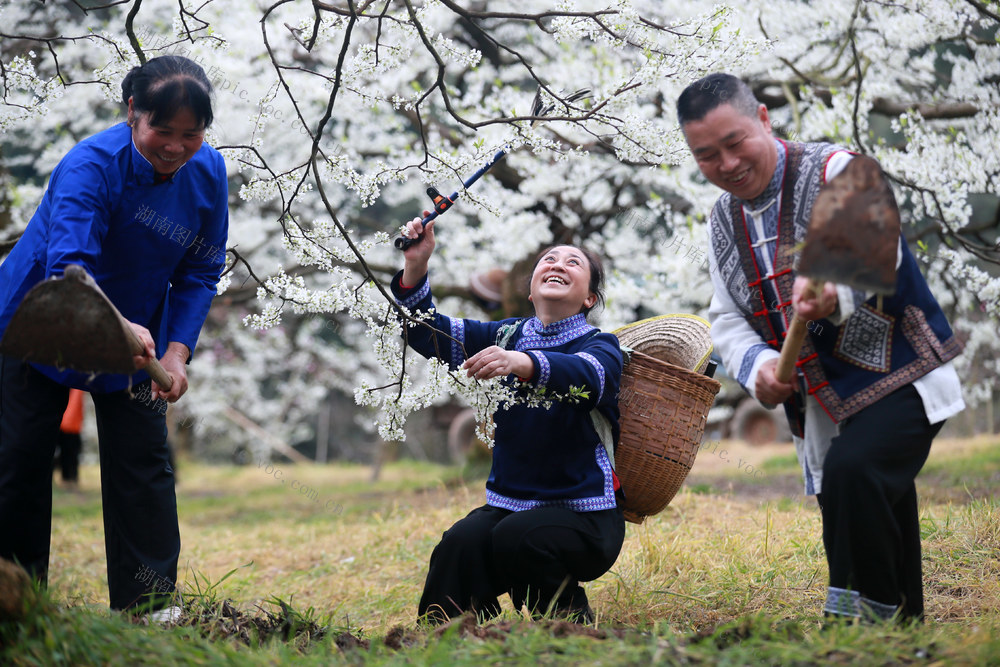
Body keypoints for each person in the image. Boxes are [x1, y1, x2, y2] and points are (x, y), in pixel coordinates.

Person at [676, 73, 965, 623]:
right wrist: (758, 366)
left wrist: (835, 289)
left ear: (763, 118)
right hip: (824, 403)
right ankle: (901, 629)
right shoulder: (721, 220)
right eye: (707, 155)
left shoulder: (839, 170)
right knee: (865, 502)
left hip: (901, 374)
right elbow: (727, 318)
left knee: (855, 475)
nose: (727, 164)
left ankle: (863, 627)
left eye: (735, 142)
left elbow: (881, 255)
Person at [0, 55, 229, 614]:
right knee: (20, 459)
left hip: (140, 340)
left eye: (191, 134)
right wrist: (119, 326)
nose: (175, 147)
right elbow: (71, 269)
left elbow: (201, 269)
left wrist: (176, 352)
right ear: (133, 112)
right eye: (162, 131)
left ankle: (150, 608)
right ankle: (16, 604)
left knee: (143, 461)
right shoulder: (89, 166)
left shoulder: (208, 172)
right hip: (40, 320)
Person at [395, 214, 625, 625]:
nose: (556, 264)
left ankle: (568, 624)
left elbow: (593, 379)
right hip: (511, 506)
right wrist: (416, 266)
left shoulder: (601, 344)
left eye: (573, 263)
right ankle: (451, 638)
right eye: (549, 259)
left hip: (584, 516)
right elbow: (429, 334)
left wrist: (523, 362)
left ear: (590, 298)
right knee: (458, 545)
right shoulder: (504, 335)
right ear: (531, 287)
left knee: (517, 537)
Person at [54, 389, 85, 490]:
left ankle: (70, 479)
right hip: (68, 423)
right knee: (69, 453)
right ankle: (69, 479)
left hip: (70, 423)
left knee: (70, 453)